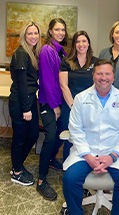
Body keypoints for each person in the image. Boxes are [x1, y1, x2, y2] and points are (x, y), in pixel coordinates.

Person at [62, 59, 119, 215]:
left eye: (107, 73)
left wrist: (112, 156)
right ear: (93, 75)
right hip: (86, 152)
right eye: (99, 73)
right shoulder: (81, 98)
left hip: (114, 151)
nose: (104, 77)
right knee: (70, 179)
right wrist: (87, 156)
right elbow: (75, 129)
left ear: (114, 76)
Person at [38, 18, 68, 201]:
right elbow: (48, 81)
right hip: (49, 102)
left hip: (60, 101)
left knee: (61, 132)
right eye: (57, 29)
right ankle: (41, 180)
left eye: (63, 29)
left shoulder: (61, 51)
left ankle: (50, 160)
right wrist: (55, 106)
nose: (61, 32)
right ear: (50, 31)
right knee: (50, 136)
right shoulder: (47, 51)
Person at [9, 22, 41, 186]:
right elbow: (22, 83)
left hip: (29, 98)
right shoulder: (21, 53)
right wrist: (27, 108)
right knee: (20, 137)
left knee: (33, 134)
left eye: (36, 33)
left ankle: (17, 164)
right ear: (24, 35)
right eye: (30, 33)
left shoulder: (32, 53)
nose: (33, 36)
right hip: (21, 101)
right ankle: (17, 171)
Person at [58, 30, 97, 160]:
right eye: (78, 41)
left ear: (88, 43)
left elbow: (99, 85)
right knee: (70, 138)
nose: (81, 44)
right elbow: (64, 86)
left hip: (90, 107)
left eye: (84, 41)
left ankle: (87, 165)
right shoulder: (67, 62)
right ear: (74, 44)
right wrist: (74, 106)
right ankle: (68, 167)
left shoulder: (96, 62)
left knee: (88, 137)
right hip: (70, 106)